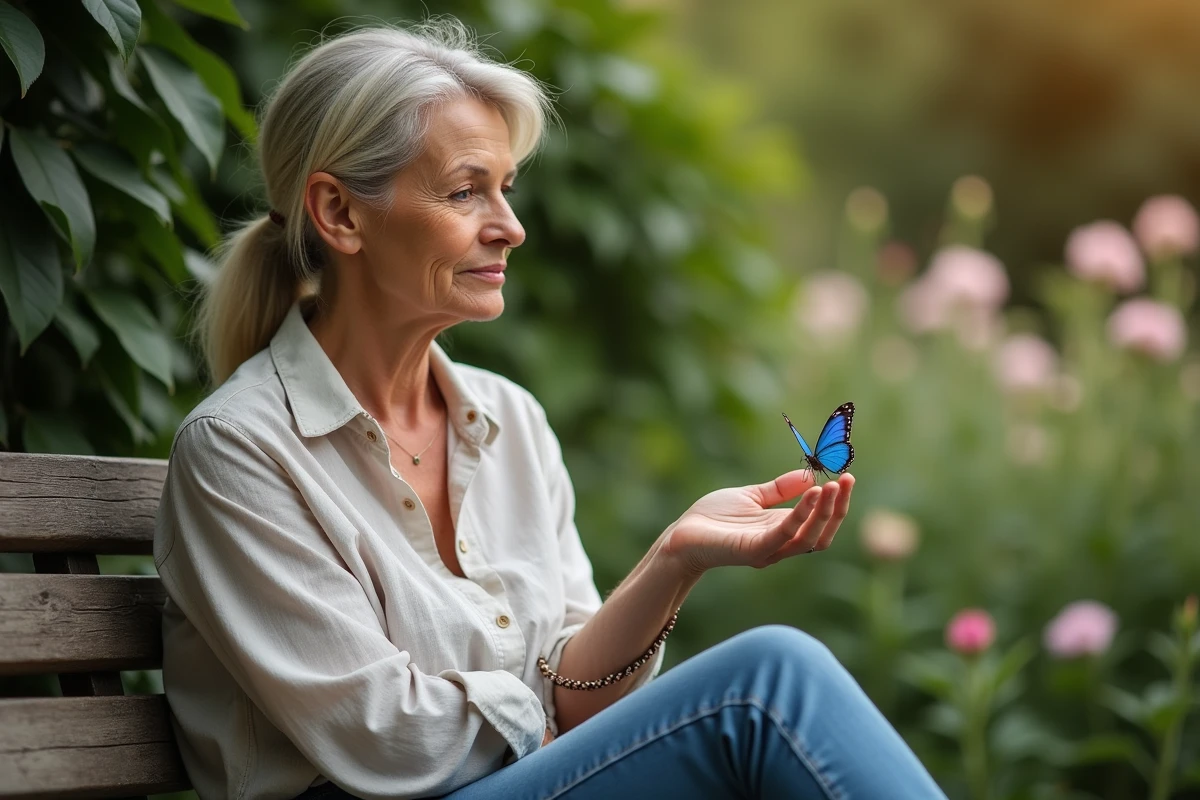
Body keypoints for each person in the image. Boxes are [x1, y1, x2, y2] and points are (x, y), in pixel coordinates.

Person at [153, 18, 948, 800]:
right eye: (467, 192)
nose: (511, 228)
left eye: (506, 189)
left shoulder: (511, 421)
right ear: (340, 214)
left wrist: (676, 558)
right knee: (765, 685)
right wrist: (551, 719)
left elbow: (584, 694)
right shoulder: (238, 451)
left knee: (769, 685)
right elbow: (384, 738)